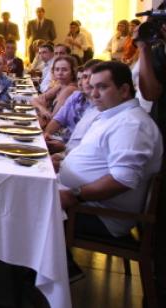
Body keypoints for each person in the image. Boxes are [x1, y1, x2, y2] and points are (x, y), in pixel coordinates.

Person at [58, 61, 162, 279]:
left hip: (100, 215)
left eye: (102, 87)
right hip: (85, 204)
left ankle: (51, 272)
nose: (93, 94)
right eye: (92, 86)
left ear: (124, 90)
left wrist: (74, 195)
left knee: (21, 207)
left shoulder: (132, 125)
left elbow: (121, 180)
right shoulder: (113, 115)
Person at [44, 60, 100, 153]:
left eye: (91, 77)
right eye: (84, 77)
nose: (84, 82)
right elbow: (57, 119)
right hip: (65, 143)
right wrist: (47, 135)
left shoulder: (100, 106)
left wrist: (63, 148)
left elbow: (89, 145)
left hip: (72, 149)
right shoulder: (76, 95)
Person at [33, 55, 79, 127]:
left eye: (64, 70)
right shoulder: (60, 85)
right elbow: (34, 100)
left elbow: (52, 119)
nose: (60, 73)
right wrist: (43, 110)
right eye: (57, 69)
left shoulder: (70, 89)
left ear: (72, 72)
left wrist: (43, 109)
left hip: (59, 131)